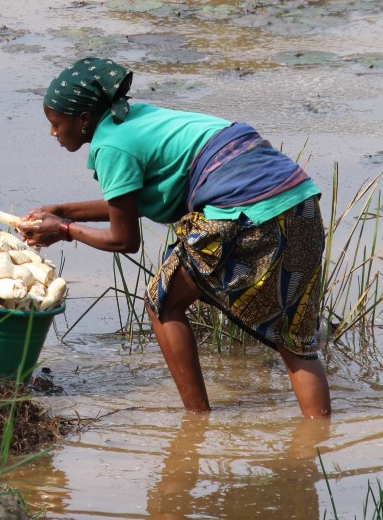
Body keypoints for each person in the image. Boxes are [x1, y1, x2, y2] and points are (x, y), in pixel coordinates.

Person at [19, 57, 332, 418]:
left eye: (56, 124)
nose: (53, 133)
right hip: (299, 202)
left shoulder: (110, 145)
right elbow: (135, 202)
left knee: (162, 302)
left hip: (243, 212)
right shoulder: (138, 118)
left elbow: (124, 240)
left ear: (84, 120)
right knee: (293, 339)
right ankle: (317, 441)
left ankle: (196, 421)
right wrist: (63, 211)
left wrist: (62, 230)